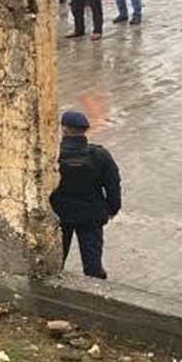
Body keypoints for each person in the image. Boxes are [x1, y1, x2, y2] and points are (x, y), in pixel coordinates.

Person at [49, 109, 120, 279]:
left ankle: (53, 290)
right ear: (85, 131)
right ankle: (96, 292)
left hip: (60, 214)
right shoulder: (100, 155)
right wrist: (112, 209)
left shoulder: (52, 155)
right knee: (93, 263)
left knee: (56, 260)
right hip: (91, 215)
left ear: (64, 129)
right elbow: (113, 185)